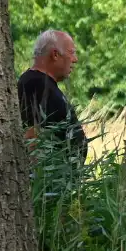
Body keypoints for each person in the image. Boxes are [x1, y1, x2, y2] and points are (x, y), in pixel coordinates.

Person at [18, 29, 87, 163]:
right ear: (55, 54)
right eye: (71, 52)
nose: (75, 59)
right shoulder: (35, 85)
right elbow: (31, 137)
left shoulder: (43, 84)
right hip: (50, 180)